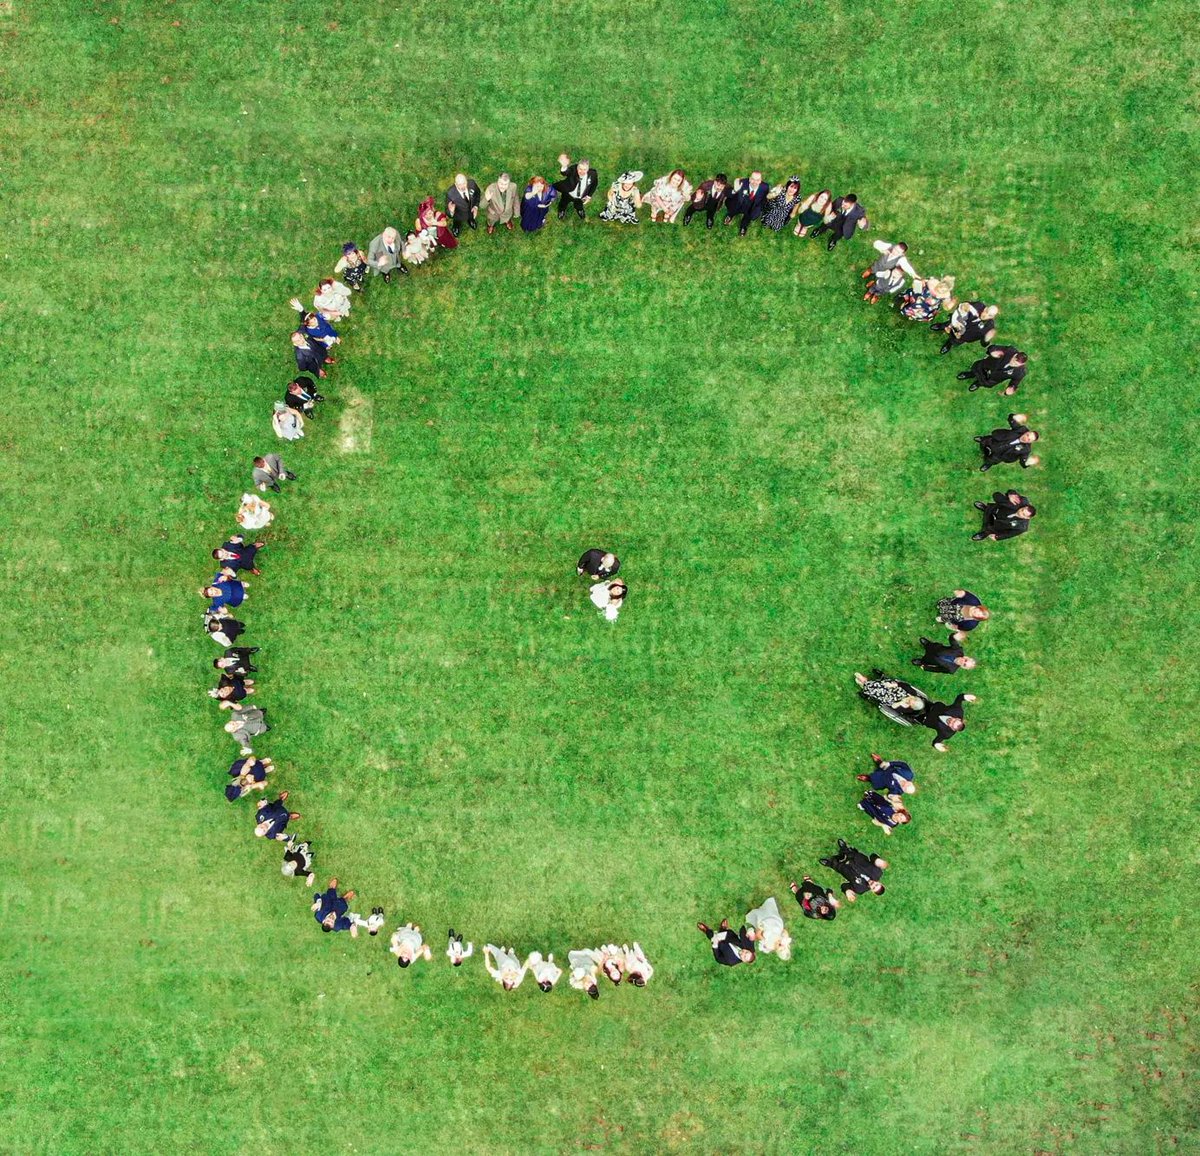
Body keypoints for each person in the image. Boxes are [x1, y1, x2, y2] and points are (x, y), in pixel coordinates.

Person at [819, 839, 887, 902]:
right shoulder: (878, 872)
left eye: (874, 888)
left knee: (835, 864)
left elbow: (844, 885)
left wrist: (847, 891)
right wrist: (877, 859)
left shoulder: (860, 889)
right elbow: (872, 856)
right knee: (846, 852)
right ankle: (844, 848)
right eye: (877, 884)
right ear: (880, 883)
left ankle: (829, 863)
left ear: (872, 891)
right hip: (854, 857)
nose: (873, 885)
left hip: (844, 867)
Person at [854, 670, 928, 725]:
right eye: (912, 699)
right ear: (915, 698)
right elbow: (902, 684)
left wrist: (901, 702)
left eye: (911, 703)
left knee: (878, 691)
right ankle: (865, 682)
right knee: (881, 686)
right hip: (892, 688)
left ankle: (864, 683)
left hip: (888, 698)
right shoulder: (912, 693)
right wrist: (893, 685)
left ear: (912, 706)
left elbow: (893, 706)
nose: (910, 700)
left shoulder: (906, 708)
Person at [958, 345, 1028, 395]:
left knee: (983, 382)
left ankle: (977, 384)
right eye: (1013, 361)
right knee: (975, 370)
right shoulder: (1009, 350)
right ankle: (970, 374)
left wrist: (1011, 388)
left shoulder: (1020, 372)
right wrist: (992, 351)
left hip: (993, 378)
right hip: (986, 365)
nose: (1013, 364)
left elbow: (1015, 382)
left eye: (1016, 365)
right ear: (1014, 355)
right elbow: (992, 347)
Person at [933, 301, 998, 354]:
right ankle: (941, 326)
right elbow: (962, 306)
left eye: (990, 315)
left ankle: (948, 344)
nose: (985, 315)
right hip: (956, 324)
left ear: (992, 317)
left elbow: (984, 344)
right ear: (986, 308)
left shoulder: (989, 327)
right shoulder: (978, 305)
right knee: (947, 325)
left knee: (954, 341)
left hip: (963, 337)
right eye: (986, 312)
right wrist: (962, 307)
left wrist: (987, 339)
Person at [555, 156, 598, 220]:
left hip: (580, 196)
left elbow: (594, 184)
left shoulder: (593, 174)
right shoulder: (573, 170)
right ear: (577, 168)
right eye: (580, 169)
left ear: (588, 169)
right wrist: (564, 166)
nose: (582, 172)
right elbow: (565, 172)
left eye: (585, 169)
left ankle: (580, 210)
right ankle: (561, 210)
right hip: (568, 193)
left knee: (579, 205)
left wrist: (589, 196)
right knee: (563, 203)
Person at [911, 635, 977, 674]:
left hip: (932, 660)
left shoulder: (951, 669)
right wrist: (954, 636)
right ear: (965, 657)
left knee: (926, 660)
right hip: (935, 648)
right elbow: (952, 640)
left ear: (963, 667)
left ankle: (921, 662)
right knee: (930, 646)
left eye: (964, 664)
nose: (963, 662)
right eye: (965, 660)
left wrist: (927, 668)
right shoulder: (958, 650)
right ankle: (927, 644)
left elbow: (938, 669)